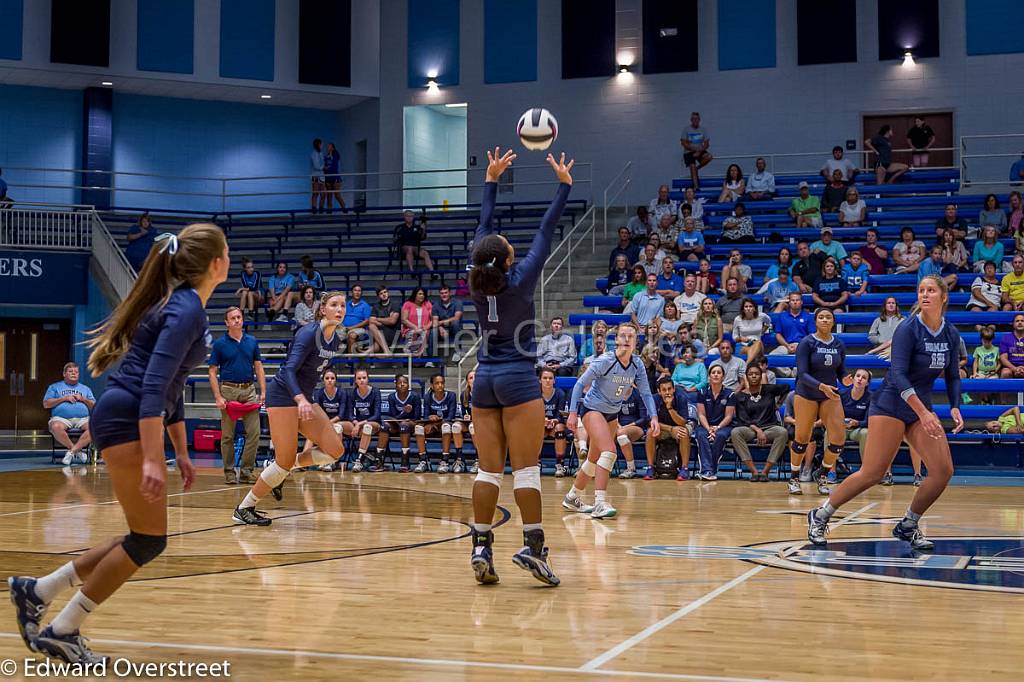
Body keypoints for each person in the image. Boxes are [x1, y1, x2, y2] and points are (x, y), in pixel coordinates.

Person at [8, 224, 228, 664]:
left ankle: (37, 591)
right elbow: (153, 389)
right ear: (215, 264)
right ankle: (62, 630)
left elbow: (172, 389)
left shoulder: (187, 307)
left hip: (128, 415)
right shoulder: (185, 310)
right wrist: (153, 457)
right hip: (128, 417)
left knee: (141, 537)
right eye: (228, 252)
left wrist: (181, 451)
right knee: (148, 541)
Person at [465, 148, 571, 586]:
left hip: (484, 378)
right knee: (526, 469)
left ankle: (481, 546)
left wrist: (490, 181)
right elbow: (546, 229)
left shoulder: (475, 276)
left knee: (487, 470)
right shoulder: (522, 279)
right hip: (517, 378)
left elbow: (483, 231)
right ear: (508, 260)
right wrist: (563, 185)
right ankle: (532, 546)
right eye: (509, 247)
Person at [808, 275, 964, 549]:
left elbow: (952, 375)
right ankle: (820, 515)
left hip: (919, 406)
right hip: (891, 403)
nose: (924, 294)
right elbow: (900, 375)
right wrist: (925, 413)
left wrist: (954, 406)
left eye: (930, 290)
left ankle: (908, 524)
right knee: (873, 473)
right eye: (921, 290)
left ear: (943, 296)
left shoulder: (950, 333)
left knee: (942, 471)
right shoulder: (907, 329)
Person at [233, 291, 347, 525]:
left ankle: (282, 469)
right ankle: (244, 508)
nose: (340, 309)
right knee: (282, 461)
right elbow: (288, 371)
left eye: (343, 306)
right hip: (284, 396)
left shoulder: (335, 339)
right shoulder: (308, 333)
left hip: (303, 397)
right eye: (334, 305)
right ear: (322, 308)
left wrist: (306, 399)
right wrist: (300, 399)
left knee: (335, 451)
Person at [564, 323, 660, 519]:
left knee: (593, 460)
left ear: (636, 342)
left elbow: (646, 393)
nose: (626, 339)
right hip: (592, 410)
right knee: (609, 451)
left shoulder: (637, 364)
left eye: (630, 336)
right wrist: (573, 413)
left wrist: (654, 417)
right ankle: (600, 502)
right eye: (622, 335)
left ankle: (572, 497)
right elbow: (580, 384)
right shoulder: (605, 360)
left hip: (612, 414)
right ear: (616, 340)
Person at [786, 308, 848, 496]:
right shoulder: (807, 343)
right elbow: (802, 374)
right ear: (816, 321)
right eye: (821, 317)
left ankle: (821, 473)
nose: (824, 320)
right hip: (807, 393)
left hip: (829, 394)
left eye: (828, 317)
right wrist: (822, 386)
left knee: (838, 439)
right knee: (803, 437)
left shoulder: (838, 344)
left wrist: (846, 379)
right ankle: (794, 477)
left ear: (833, 321)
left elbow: (841, 371)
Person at [209, 307, 266, 485]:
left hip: (249, 391)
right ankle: (229, 472)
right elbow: (212, 372)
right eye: (233, 318)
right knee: (227, 435)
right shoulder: (219, 344)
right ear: (226, 323)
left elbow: (258, 367)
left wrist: (263, 391)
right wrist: (218, 397)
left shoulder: (252, 341)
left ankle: (247, 471)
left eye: (239, 317)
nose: (236, 320)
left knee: (254, 433)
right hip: (228, 391)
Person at [730, 364, 790, 481]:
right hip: (750, 429)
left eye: (756, 374)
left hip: (770, 427)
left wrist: (778, 404)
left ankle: (765, 472)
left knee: (782, 432)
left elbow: (787, 387)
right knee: (735, 432)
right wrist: (758, 431)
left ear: (761, 376)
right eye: (750, 374)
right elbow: (744, 419)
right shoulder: (740, 396)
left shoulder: (768, 389)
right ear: (746, 377)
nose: (753, 376)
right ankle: (754, 471)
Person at [44, 363, 96, 466]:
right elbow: (46, 404)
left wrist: (83, 399)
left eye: (76, 372)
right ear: (64, 374)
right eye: (71, 371)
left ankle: (72, 452)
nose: (74, 374)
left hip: (83, 419)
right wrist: (64, 398)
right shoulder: (55, 387)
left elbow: (94, 406)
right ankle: (78, 452)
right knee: (55, 427)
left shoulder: (85, 389)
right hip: (61, 419)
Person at [644, 377, 695, 481]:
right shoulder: (653, 399)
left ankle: (684, 469)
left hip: (679, 426)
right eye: (664, 390)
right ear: (659, 391)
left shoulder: (681, 397)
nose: (667, 392)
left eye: (669, 389)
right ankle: (650, 468)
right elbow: (649, 421)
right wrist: (671, 429)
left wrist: (669, 407)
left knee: (683, 432)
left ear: (674, 389)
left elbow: (682, 422)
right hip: (664, 428)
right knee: (650, 432)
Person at [693, 364, 736, 480]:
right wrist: (709, 429)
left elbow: (728, 416)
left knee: (720, 436)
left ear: (723, 377)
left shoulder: (730, 394)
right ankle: (708, 471)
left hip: (723, 426)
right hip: (705, 425)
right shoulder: (702, 392)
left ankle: (709, 470)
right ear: (709, 376)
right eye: (713, 372)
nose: (716, 374)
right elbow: (701, 414)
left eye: (719, 372)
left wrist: (716, 428)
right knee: (701, 435)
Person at [298, 368, 345, 470]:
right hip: (324, 421)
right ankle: (304, 463)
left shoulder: (342, 393)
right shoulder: (319, 393)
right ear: (323, 380)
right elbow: (317, 411)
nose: (329, 380)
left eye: (332, 378)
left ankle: (332, 461)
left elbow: (341, 415)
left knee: (337, 427)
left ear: (336, 380)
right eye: (327, 378)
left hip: (340, 421)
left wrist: (327, 423)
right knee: (312, 434)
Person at [414, 373, 461, 473]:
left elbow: (451, 416)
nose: (440, 385)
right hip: (433, 425)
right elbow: (426, 415)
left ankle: (445, 461)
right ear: (432, 385)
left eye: (442, 383)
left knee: (446, 426)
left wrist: (438, 421)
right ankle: (423, 460)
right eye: (437, 383)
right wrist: (430, 417)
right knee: (418, 428)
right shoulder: (428, 397)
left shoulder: (451, 395)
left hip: (445, 424)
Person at [378, 374, 422, 472]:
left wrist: (406, 416)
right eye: (399, 383)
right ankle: (379, 460)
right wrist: (404, 412)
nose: (402, 385)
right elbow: (393, 415)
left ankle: (405, 461)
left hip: (410, 424)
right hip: (397, 423)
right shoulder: (392, 397)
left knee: (404, 425)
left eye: (405, 383)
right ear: (396, 385)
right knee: (384, 426)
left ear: (408, 385)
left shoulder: (415, 396)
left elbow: (417, 417)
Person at [346, 369, 384, 472]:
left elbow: (376, 415)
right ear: (355, 381)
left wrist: (359, 424)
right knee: (338, 426)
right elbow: (349, 414)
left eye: (364, 378)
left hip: (373, 423)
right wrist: (355, 423)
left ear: (368, 379)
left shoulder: (375, 392)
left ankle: (359, 460)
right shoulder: (352, 393)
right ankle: (333, 459)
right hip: (357, 423)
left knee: (367, 427)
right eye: (359, 378)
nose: (362, 380)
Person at [771, 292, 816, 374]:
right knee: (772, 356)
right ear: (789, 302)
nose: (795, 302)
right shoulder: (782, 316)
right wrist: (787, 345)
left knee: (807, 358)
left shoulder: (808, 316)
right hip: (786, 345)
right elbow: (778, 334)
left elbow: (811, 335)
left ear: (801, 302)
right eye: (792, 300)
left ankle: (796, 375)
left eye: (797, 300)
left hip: (803, 345)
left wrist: (800, 345)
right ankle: (788, 374)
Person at [538, 369, 569, 477]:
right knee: (537, 428)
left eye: (550, 378)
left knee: (560, 428)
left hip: (554, 426)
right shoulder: (535, 395)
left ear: (554, 381)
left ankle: (560, 464)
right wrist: (542, 421)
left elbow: (561, 414)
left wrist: (555, 420)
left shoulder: (560, 393)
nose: (547, 381)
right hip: (540, 426)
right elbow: (532, 415)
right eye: (545, 378)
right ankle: (537, 462)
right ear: (540, 380)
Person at [395, 209, 436, 275]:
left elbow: (422, 238)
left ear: (413, 217)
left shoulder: (417, 227)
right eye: (407, 216)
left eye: (411, 216)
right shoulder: (400, 227)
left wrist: (423, 229)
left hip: (416, 247)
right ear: (404, 217)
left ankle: (432, 272)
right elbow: (395, 239)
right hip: (404, 247)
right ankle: (412, 271)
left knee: (425, 253)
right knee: (409, 249)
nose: (409, 217)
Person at [731, 298, 772, 362]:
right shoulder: (738, 319)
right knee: (751, 350)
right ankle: (749, 364)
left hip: (758, 344)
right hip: (743, 345)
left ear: (754, 308)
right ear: (743, 309)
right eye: (746, 307)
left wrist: (762, 332)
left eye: (750, 306)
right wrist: (740, 338)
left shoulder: (761, 316)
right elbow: (734, 337)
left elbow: (768, 322)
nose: (748, 308)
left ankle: (746, 364)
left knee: (758, 343)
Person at [680, 112, 712, 191]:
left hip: (700, 151)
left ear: (699, 120)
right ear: (691, 120)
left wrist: (699, 151)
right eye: (693, 119)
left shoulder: (703, 130)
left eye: (697, 119)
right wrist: (694, 150)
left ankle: (697, 168)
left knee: (709, 157)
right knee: (692, 166)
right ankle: (696, 187)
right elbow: (683, 143)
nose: (695, 120)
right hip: (689, 152)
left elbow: (707, 144)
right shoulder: (686, 129)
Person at [432, 283, 464, 360]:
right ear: (439, 294)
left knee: (456, 323)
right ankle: (432, 359)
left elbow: (456, 318)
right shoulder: (436, 305)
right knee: (433, 330)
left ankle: (457, 351)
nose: (444, 295)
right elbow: (435, 321)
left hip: (454, 329)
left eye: (446, 292)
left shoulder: (458, 303)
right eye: (442, 293)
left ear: (450, 293)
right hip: (442, 331)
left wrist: (442, 322)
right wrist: (440, 327)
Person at [401, 287, 433, 359]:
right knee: (415, 333)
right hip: (410, 330)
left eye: (423, 294)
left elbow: (433, 319)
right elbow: (404, 319)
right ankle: (413, 352)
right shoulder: (408, 304)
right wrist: (415, 328)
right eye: (420, 294)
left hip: (424, 330)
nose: (422, 296)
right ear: (415, 295)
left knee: (424, 333)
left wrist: (426, 327)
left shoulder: (427, 304)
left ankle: (417, 354)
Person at [369, 284, 400, 354]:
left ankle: (363, 353)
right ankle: (387, 351)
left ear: (388, 293)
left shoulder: (395, 304)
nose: (384, 294)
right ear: (378, 296)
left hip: (393, 333)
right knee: (371, 326)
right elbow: (371, 320)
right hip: (380, 332)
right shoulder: (376, 306)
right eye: (381, 293)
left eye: (385, 292)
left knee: (373, 329)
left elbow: (392, 321)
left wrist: (378, 319)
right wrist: (387, 320)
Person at [999, 313, 1024, 378]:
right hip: (1010, 367)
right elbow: (1003, 358)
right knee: (1005, 372)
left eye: (1022, 321)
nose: (1020, 323)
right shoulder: (1006, 338)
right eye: (1017, 321)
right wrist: (1015, 369)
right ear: (1013, 324)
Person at [323, 142, 344, 212]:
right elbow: (323, 166)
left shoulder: (335, 155)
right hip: (328, 178)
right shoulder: (326, 157)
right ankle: (329, 212)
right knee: (329, 196)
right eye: (327, 146)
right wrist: (324, 168)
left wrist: (327, 168)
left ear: (333, 148)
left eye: (329, 146)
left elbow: (334, 167)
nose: (328, 148)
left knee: (337, 195)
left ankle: (345, 210)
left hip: (335, 178)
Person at [310, 138, 325, 213]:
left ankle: (321, 209)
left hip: (322, 176)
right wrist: (324, 167)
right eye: (321, 144)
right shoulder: (313, 154)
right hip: (315, 176)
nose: (322, 145)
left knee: (323, 194)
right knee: (315, 193)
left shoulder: (321, 153)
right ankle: (314, 209)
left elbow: (323, 163)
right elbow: (316, 166)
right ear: (318, 144)